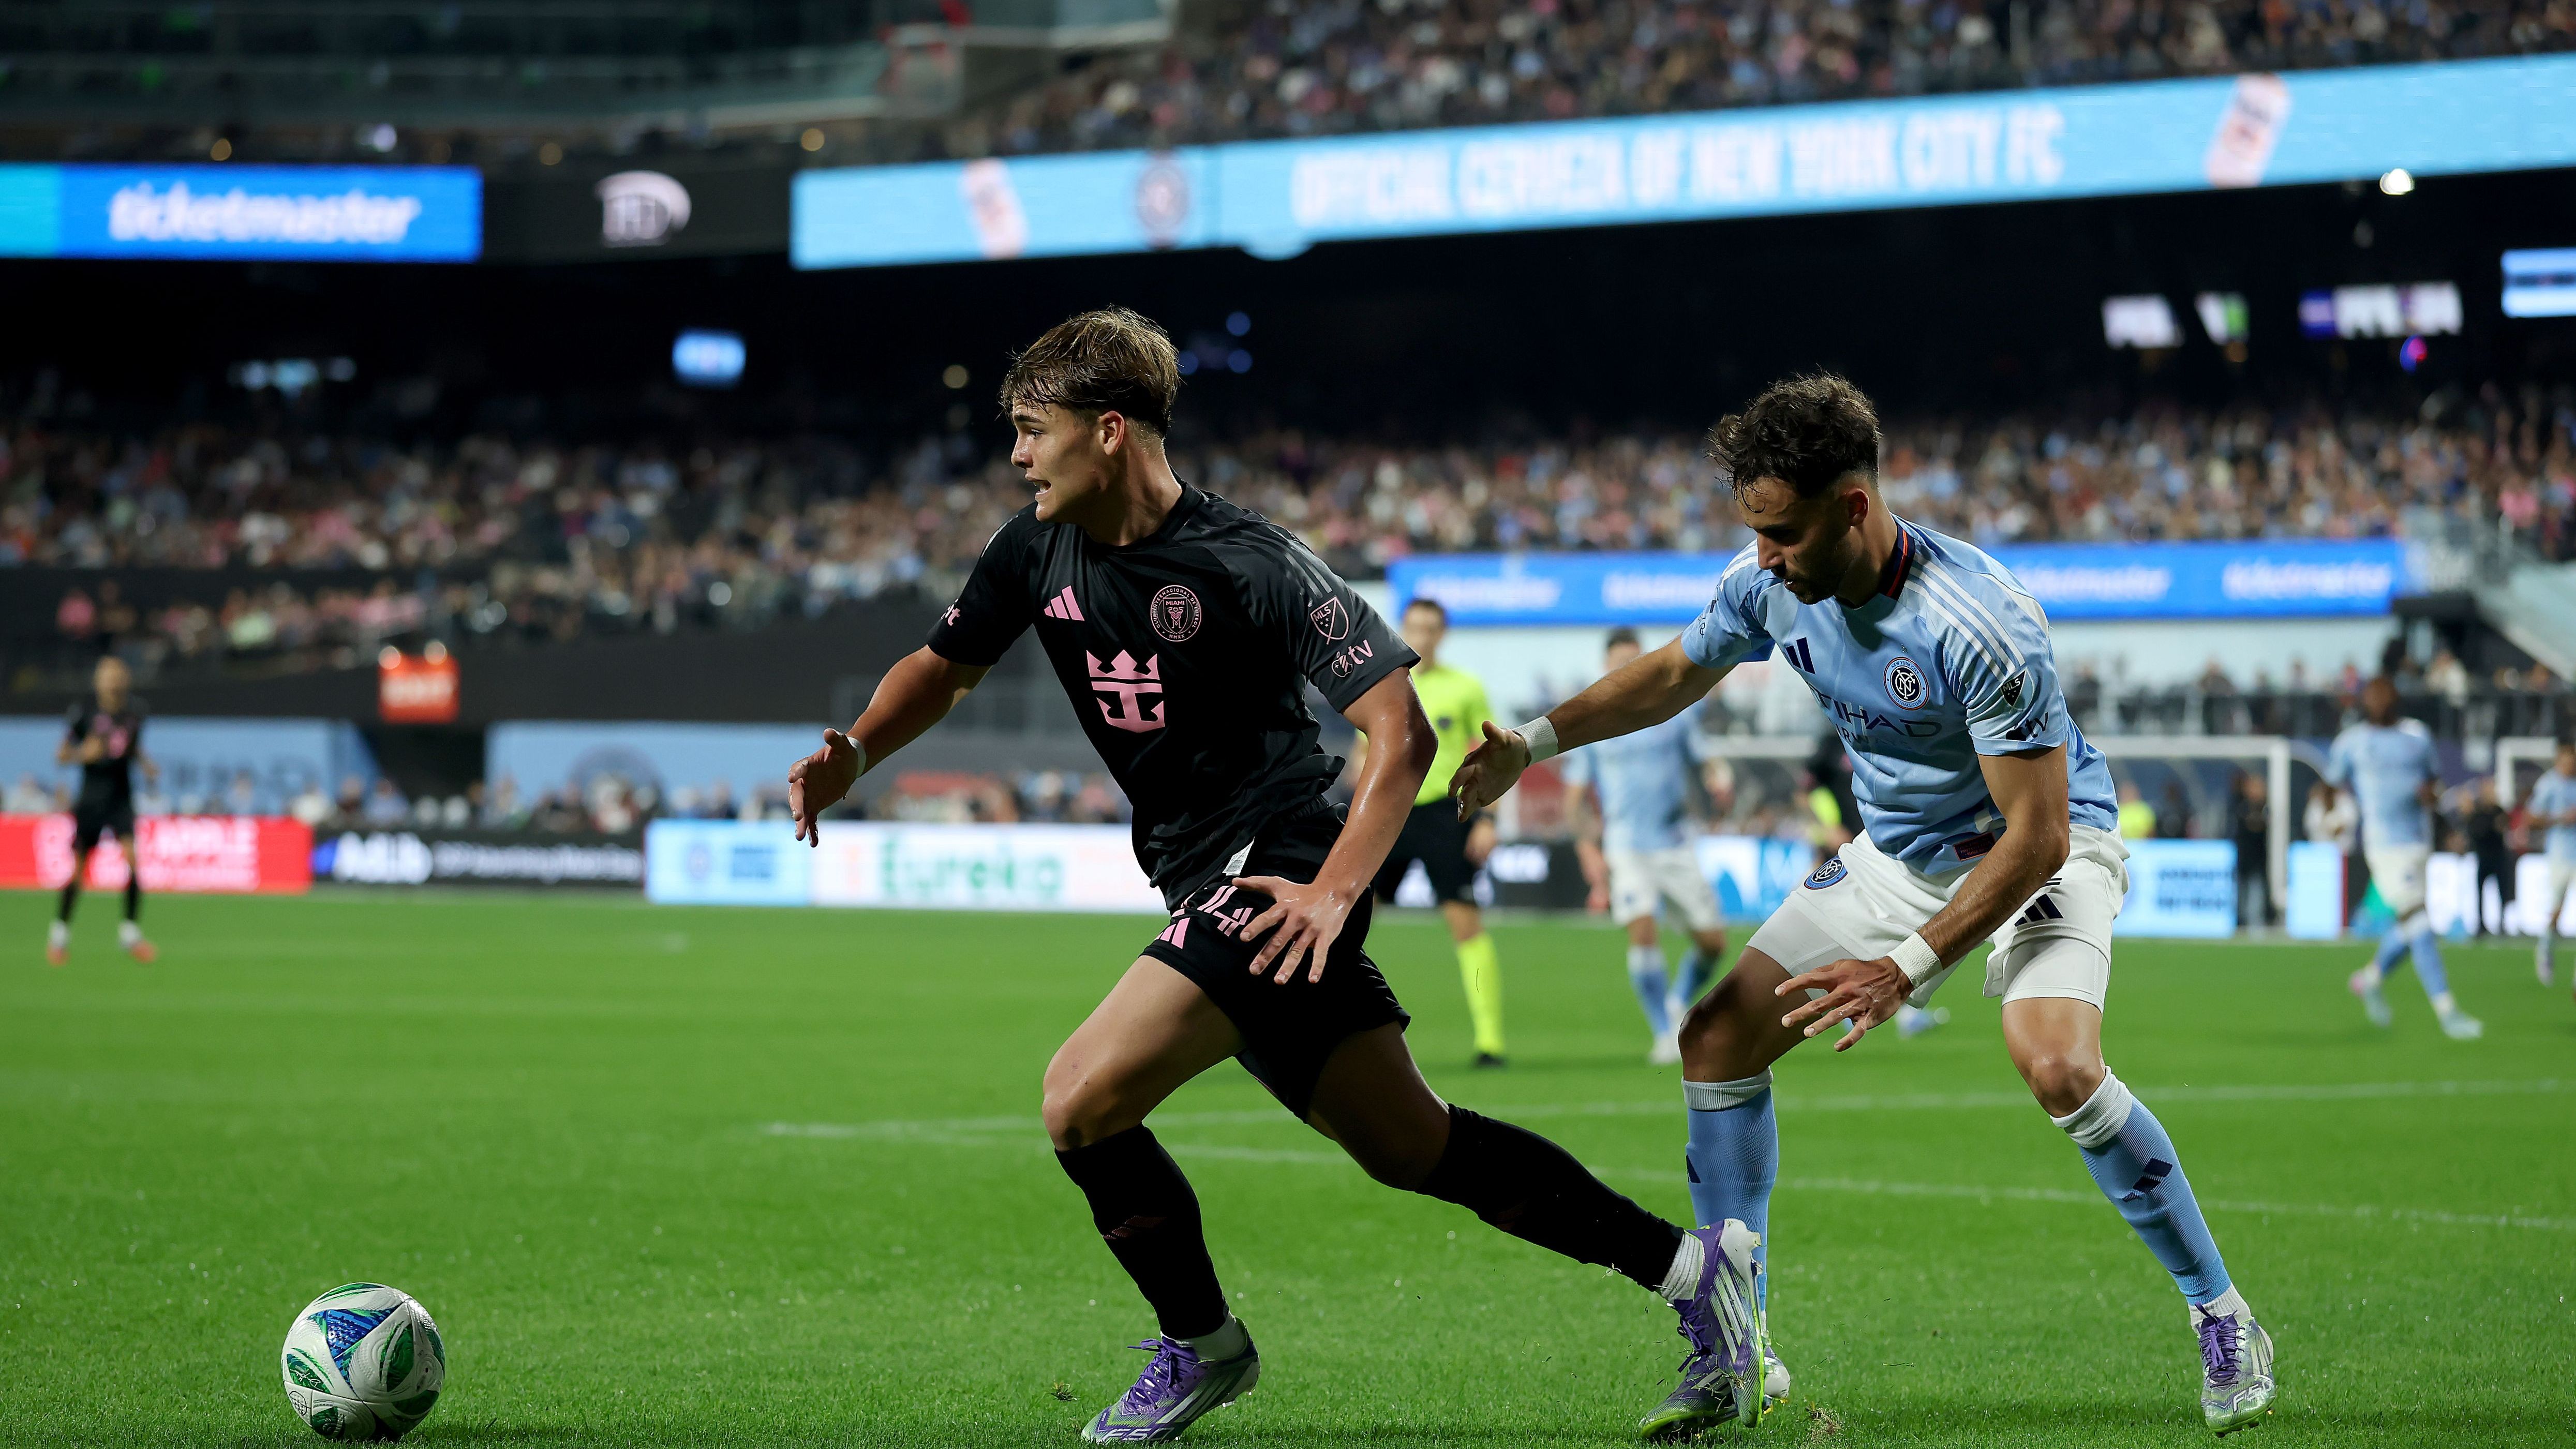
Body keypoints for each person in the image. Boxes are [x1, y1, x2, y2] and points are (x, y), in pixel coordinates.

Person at [784, 309, 1760, 1445]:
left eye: (1031, 429)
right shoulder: (1031, 547)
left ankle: (1202, 1345)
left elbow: (1398, 731)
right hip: (1203, 876)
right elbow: (943, 666)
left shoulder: (1250, 559)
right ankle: (1694, 1270)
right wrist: (858, 749)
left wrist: (1336, 890)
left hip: (1280, 867)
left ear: (1109, 430)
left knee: (1080, 1099)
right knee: (1410, 1144)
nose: (1015, 455)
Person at [1452, 374, 2273, 1436]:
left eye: (1782, 533)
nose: (1762, 557)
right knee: (1714, 1036)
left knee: (2057, 1064)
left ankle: (2221, 1313)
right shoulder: (1768, 579)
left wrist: (1905, 967)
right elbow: (1670, 673)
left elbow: (2035, 835)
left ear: (1851, 506)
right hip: (1894, 856)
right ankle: (1735, 1344)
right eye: (1753, 532)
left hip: (2036, 849)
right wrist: (1530, 743)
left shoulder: (1980, 622)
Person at [1561, 627, 1732, 1064]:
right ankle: (1662, 1032)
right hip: (1625, 845)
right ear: (1606, 667)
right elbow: (1574, 797)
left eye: (1634, 660)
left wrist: (1718, 776)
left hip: (1674, 842)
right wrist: (1587, 847)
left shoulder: (1673, 711)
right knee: (1641, 929)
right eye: (1620, 662)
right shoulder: (1595, 720)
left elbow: (1705, 758)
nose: (1628, 668)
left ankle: (1676, 1001)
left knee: (1713, 942)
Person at [1364, 596, 1510, 1066]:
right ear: (1402, 628)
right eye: (1415, 626)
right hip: (1388, 812)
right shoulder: (1381, 681)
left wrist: (1488, 819)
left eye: (1431, 628)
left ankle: (1490, 1042)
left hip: (1443, 815)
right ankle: (1322, 1030)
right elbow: (1362, 751)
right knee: (1348, 922)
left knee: (1465, 923)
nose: (1422, 636)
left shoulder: (1465, 687)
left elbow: (1493, 756)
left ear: (1442, 634)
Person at [2324, 678, 2481, 1039]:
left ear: (2395, 699)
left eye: (2384, 695)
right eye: (2372, 696)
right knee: (2419, 923)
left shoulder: (2417, 736)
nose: (2378, 702)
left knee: (2411, 928)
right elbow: (2329, 786)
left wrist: (2437, 812)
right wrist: (2333, 818)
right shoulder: (2352, 742)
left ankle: (2369, 979)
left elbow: (2433, 786)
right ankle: (2448, 1012)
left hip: (2418, 842)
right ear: (2364, 702)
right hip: (2384, 846)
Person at [48, 656, 157, 966]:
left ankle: (130, 933)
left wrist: (145, 763)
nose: (113, 681)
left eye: (118, 675)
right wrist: (83, 754)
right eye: (107, 676)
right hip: (92, 799)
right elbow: (61, 755)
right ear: (98, 681)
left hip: (121, 797)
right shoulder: (83, 713)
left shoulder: (136, 712)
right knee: (79, 869)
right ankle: (60, 935)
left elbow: (130, 746)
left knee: (133, 860)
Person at [2526, 738, 2576, 989]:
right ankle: (2545, 948)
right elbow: (2531, 818)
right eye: (2566, 761)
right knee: (2557, 908)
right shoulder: (2549, 784)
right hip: (2559, 854)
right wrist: (2559, 819)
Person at [2461, 778, 2512, 938]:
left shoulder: (2499, 811)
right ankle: (2481, 924)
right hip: (2483, 858)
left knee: (2502, 891)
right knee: (2480, 893)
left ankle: (2502, 923)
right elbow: (2475, 832)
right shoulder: (2477, 813)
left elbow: (2505, 827)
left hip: (2499, 858)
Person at [2230, 772, 2272, 930]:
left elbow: (2259, 827)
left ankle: (2256, 923)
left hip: (2258, 859)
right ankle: (2240, 923)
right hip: (2243, 858)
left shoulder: (2264, 808)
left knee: (2257, 891)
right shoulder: (2241, 806)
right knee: (2241, 892)